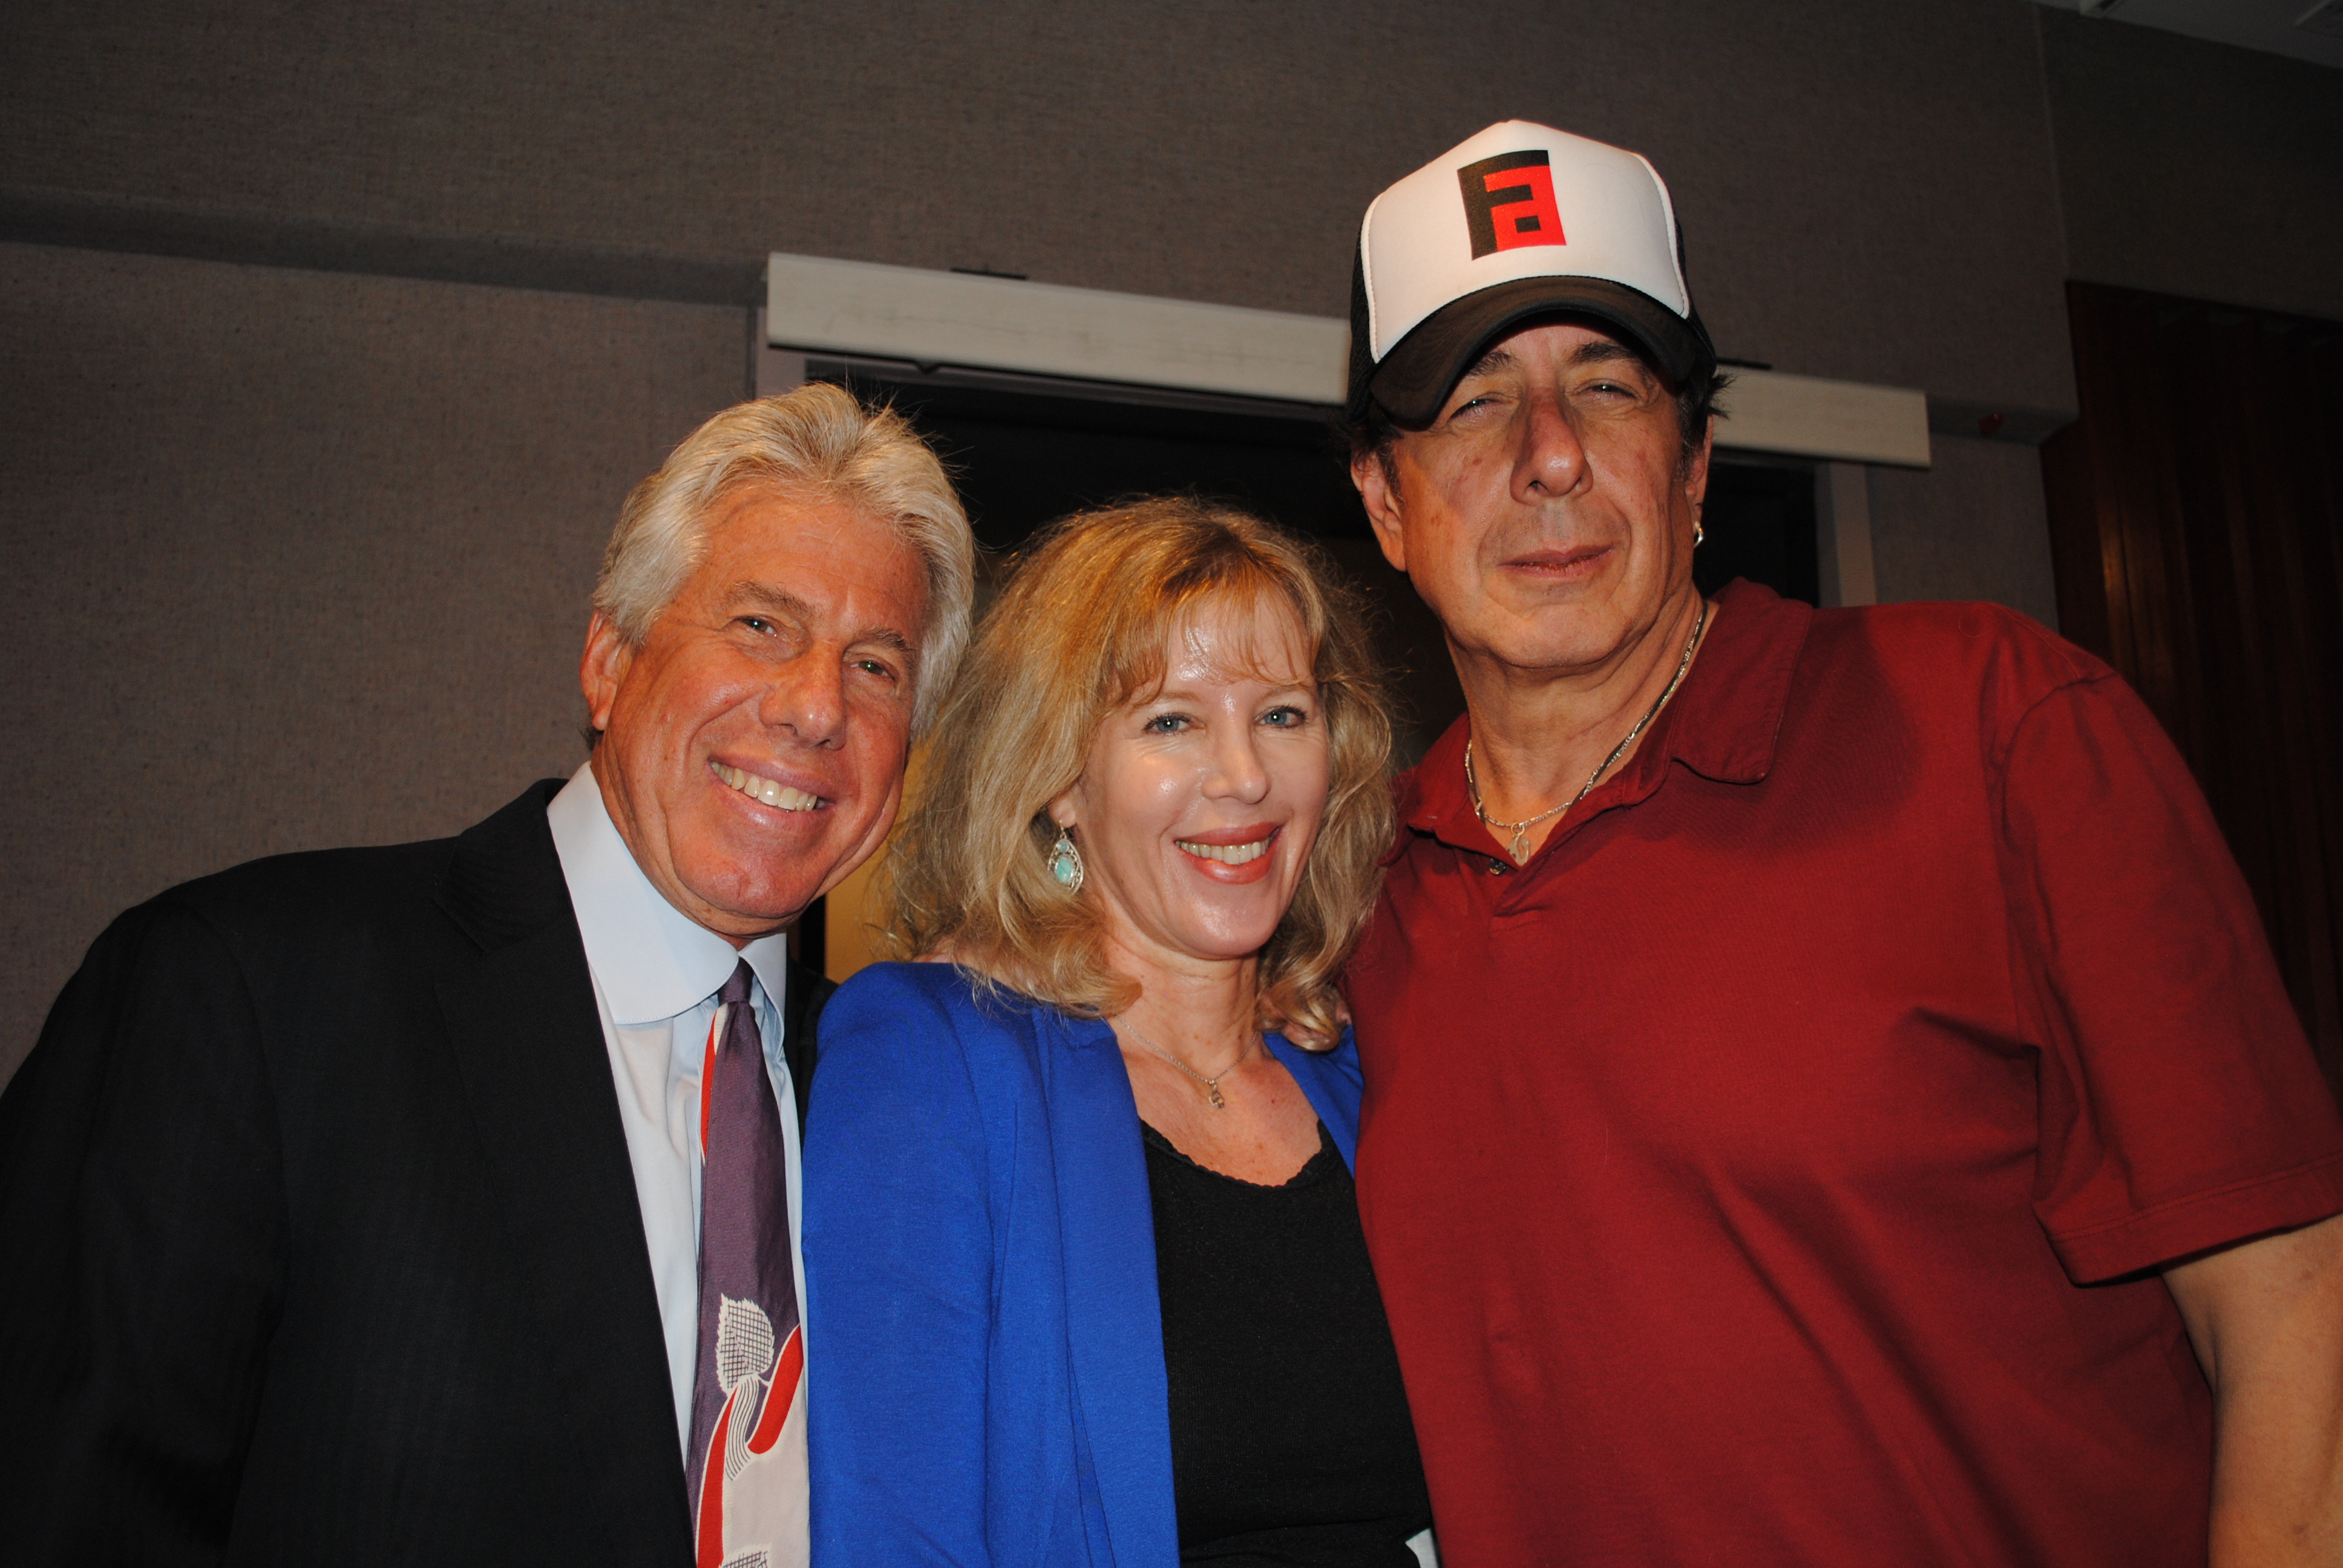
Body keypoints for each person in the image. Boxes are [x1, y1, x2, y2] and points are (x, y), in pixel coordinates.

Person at [1339, 120, 2343, 1566]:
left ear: (1691, 467)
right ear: (1384, 503)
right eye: (1473, 403)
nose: (1549, 457)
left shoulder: (1997, 725)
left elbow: (2292, 1309)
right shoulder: (1353, 898)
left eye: (1607, 387)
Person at [0, 382, 975, 1568]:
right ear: (608, 662)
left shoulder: (899, 1095)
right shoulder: (249, 991)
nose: (817, 707)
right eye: (760, 626)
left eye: (876, 666)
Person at [802, 498, 1433, 1567]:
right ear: (1058, 780)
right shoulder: (932, 1061)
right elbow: (891, 1529)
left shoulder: (1367, 1069)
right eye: (1171, 721)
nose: (1244, 775)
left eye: (1282, 713)